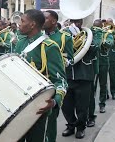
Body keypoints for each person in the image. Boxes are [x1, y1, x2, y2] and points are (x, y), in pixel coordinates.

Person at [0, 9, 67, 142]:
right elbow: (10, 70)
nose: (19, 23)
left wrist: (55, 101)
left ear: (32, 24)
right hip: (18, 107)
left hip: (39, 110)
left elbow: (61, 81)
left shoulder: (49, 47)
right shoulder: (20, 43)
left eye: (23, 21)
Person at [62, 19, 101, 139]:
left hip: (84, 75)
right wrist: (69, 38)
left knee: (82, 106)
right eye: (73, 21)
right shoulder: (64, 35)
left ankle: (80, 128)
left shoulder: (90, 35)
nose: (76, 24)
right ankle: (71, 124)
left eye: (78, 21)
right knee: (66, 105)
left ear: (82, 22)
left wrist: (81, 38)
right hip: (67, 75)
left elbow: (95, 49)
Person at [43, 10, 73, 142]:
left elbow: (71, 59)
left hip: (53, 82)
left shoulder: (64, 37)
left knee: (50, 123)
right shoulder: (38, 37)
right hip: (36, 84)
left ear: (54, 21)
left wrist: (60, 61)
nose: (41, 20)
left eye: (45, 18)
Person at [87, 19, 103, 127]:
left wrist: (94, 32)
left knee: (90, 94)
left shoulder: (97, 33)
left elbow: (96, 45)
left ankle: (90, 117)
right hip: (76, 69)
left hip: (91, 67)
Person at [105, 18, 115, 100]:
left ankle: (113, 92)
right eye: (108, 23)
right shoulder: (104, 31)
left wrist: (114, 35)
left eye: (111, 23)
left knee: (112, 76)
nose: (109, 25)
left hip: (112, 57)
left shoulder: (114, 32)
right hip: (104, 57)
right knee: (104, 78)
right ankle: (106, 93)